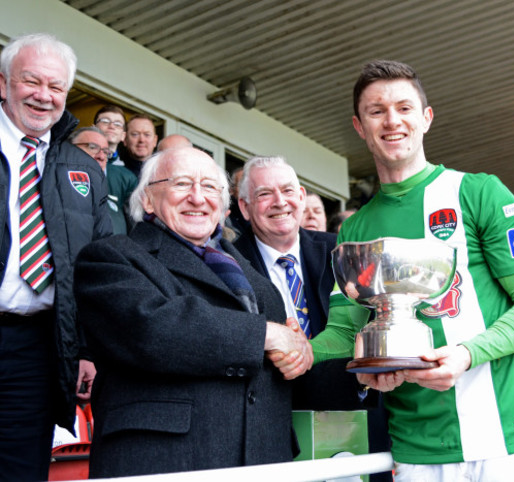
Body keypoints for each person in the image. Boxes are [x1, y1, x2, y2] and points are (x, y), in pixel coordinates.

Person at [307, 60, 514, 481]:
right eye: (377, 111)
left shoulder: (479, 192)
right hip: (416, 448)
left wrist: (466, 354)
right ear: (359, 126)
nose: (392, 121)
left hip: (504, 439)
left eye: (405, 108)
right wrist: (295, 349)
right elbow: (347, 332)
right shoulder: (354, 228)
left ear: (426, 118)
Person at [73, 147, 312, 477]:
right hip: (163, 463)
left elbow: (278, 374)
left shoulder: (256, 279)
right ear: (147, 199)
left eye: (210, 187)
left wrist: (341, 368)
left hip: (263, 460)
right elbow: (154, 330)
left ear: (224, 205)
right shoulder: (110, 257)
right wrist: (268, 335)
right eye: (182, 184)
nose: (198, 198)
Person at [234, 156, 392, 481]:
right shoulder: (227, 264)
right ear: (245, 207)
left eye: (288, 190)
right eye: (265, 194)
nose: (280, 202)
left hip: (354, 420)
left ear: (302, 197)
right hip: (269, 435)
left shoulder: (343, 254)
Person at [0, 33, 112, 481]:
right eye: (31, 81)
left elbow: (96, 268)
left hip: (37, 347)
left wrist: (84, 347)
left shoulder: (83, 169)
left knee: (21, 469)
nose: (44, 96)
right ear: (4, 83)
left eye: (57, 87)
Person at [69, 126, 138, 234]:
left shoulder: (112, 203)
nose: (101, 156)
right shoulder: (54, 189)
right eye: (92, 147)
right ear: (69, 149)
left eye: (106, 152)